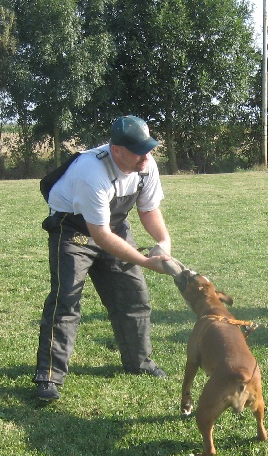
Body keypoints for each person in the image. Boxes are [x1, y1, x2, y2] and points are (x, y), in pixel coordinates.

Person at [33, 115, 173, 402]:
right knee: (65, 300)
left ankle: (139, 363)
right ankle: (49, 377)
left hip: (114, 227)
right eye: (138, 151)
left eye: (148, 149)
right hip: (73, 229)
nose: (146, 157)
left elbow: (148, 209)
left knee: (133, 296)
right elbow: (100, 235)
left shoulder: (145, 166)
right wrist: (145, 262)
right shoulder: (91, 171)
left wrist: (163, 242)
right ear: (116, 150)